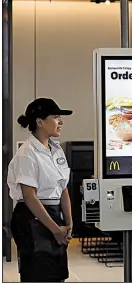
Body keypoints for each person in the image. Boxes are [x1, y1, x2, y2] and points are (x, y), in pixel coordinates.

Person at [7, 98, 74, 282]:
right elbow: (29, 197)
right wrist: (54, 229)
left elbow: (63, 188)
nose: (60, 121)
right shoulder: (27, 153)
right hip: (32, 218)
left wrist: (68, 223)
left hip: (54, 214)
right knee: (39, 273)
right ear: (40, 122)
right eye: (55, 117)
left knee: (57, 274)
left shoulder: (56, 149)